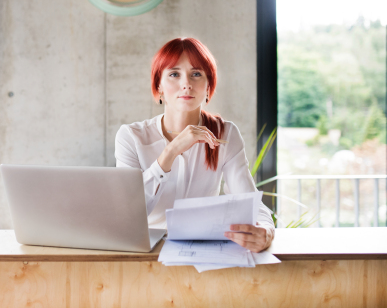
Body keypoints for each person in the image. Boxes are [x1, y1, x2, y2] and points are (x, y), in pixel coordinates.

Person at [115, 37, 274, 253]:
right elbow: (127, 213)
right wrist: (170, 152)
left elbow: (250, 201)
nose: (186, 83)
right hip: (146, 254)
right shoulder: (131, 137)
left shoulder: (225, 134)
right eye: (174, 74)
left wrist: (266, 232)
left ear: (209, 85)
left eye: (196, 74)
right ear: (158, 86)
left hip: (201, 253)